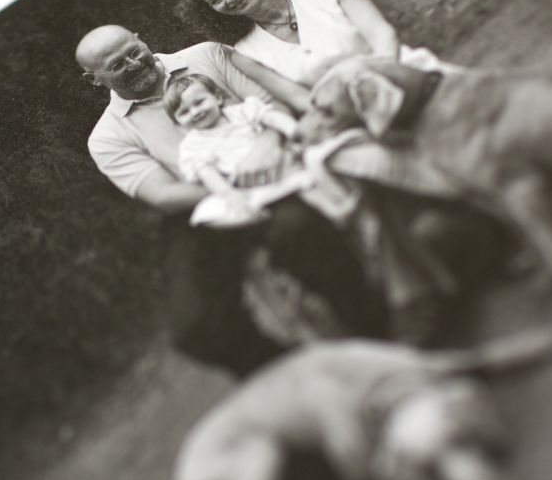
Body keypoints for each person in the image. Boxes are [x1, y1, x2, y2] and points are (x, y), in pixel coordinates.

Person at [76, 25, 387, 375]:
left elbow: (270, 104)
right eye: (117, 65)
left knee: (296, 229)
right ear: (94, 79)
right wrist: (232, 191)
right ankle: (284, 372)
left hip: (271, 165)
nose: (134, 64)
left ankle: (376, 332)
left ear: (141, 39)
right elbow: (164, 193)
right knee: (193, 326)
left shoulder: (206, 56)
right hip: (199, 203)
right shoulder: (107, 137)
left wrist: (268, 148)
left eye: (134, 51)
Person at [175, 0, 459, 95]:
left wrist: (387, 81)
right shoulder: (245, 53)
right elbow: (301, 101)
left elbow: (383, 36)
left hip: (409, 78)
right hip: (353, 121)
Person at [163, 72, 360, 228]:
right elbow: (207, 173)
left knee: (309, 178)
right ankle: (253, 218)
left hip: (278, 162)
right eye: (184, 112)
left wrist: (294, 131)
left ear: (217, 97)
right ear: (178, 123)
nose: (195, 112)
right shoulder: (193, 145)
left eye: (199, 102)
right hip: (249, 185)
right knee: (207, 214)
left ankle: (337, 209)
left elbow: (272, 117)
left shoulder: (242, 112)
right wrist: (228, 194)